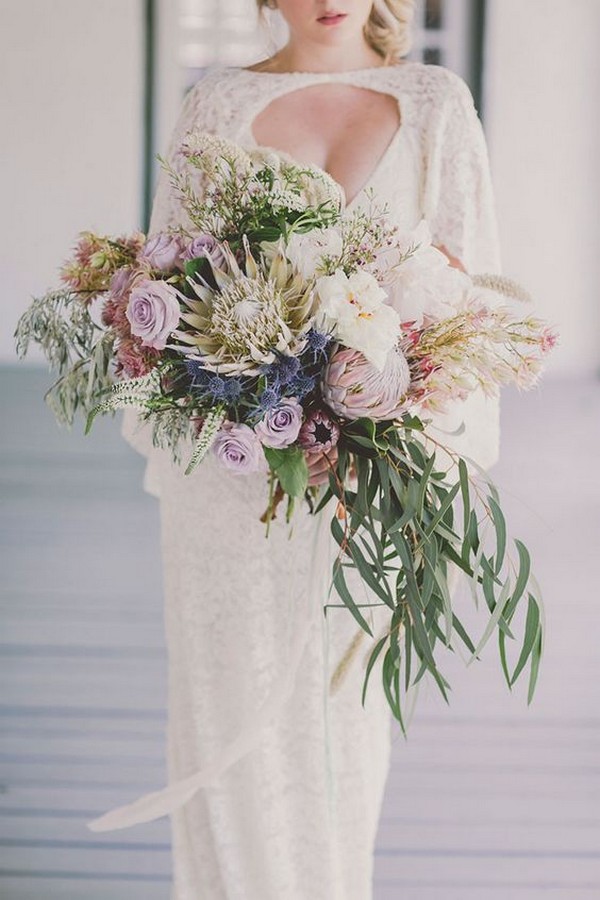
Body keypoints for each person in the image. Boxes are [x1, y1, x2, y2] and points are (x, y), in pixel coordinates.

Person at [88, 2, 503, 897]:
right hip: (237, 478)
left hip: (371, 468)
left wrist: (399, 433)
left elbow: (469, 294)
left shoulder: (434, 101)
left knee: (340, 721)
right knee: (228, 703)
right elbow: (167, 279)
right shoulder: (220, 101)